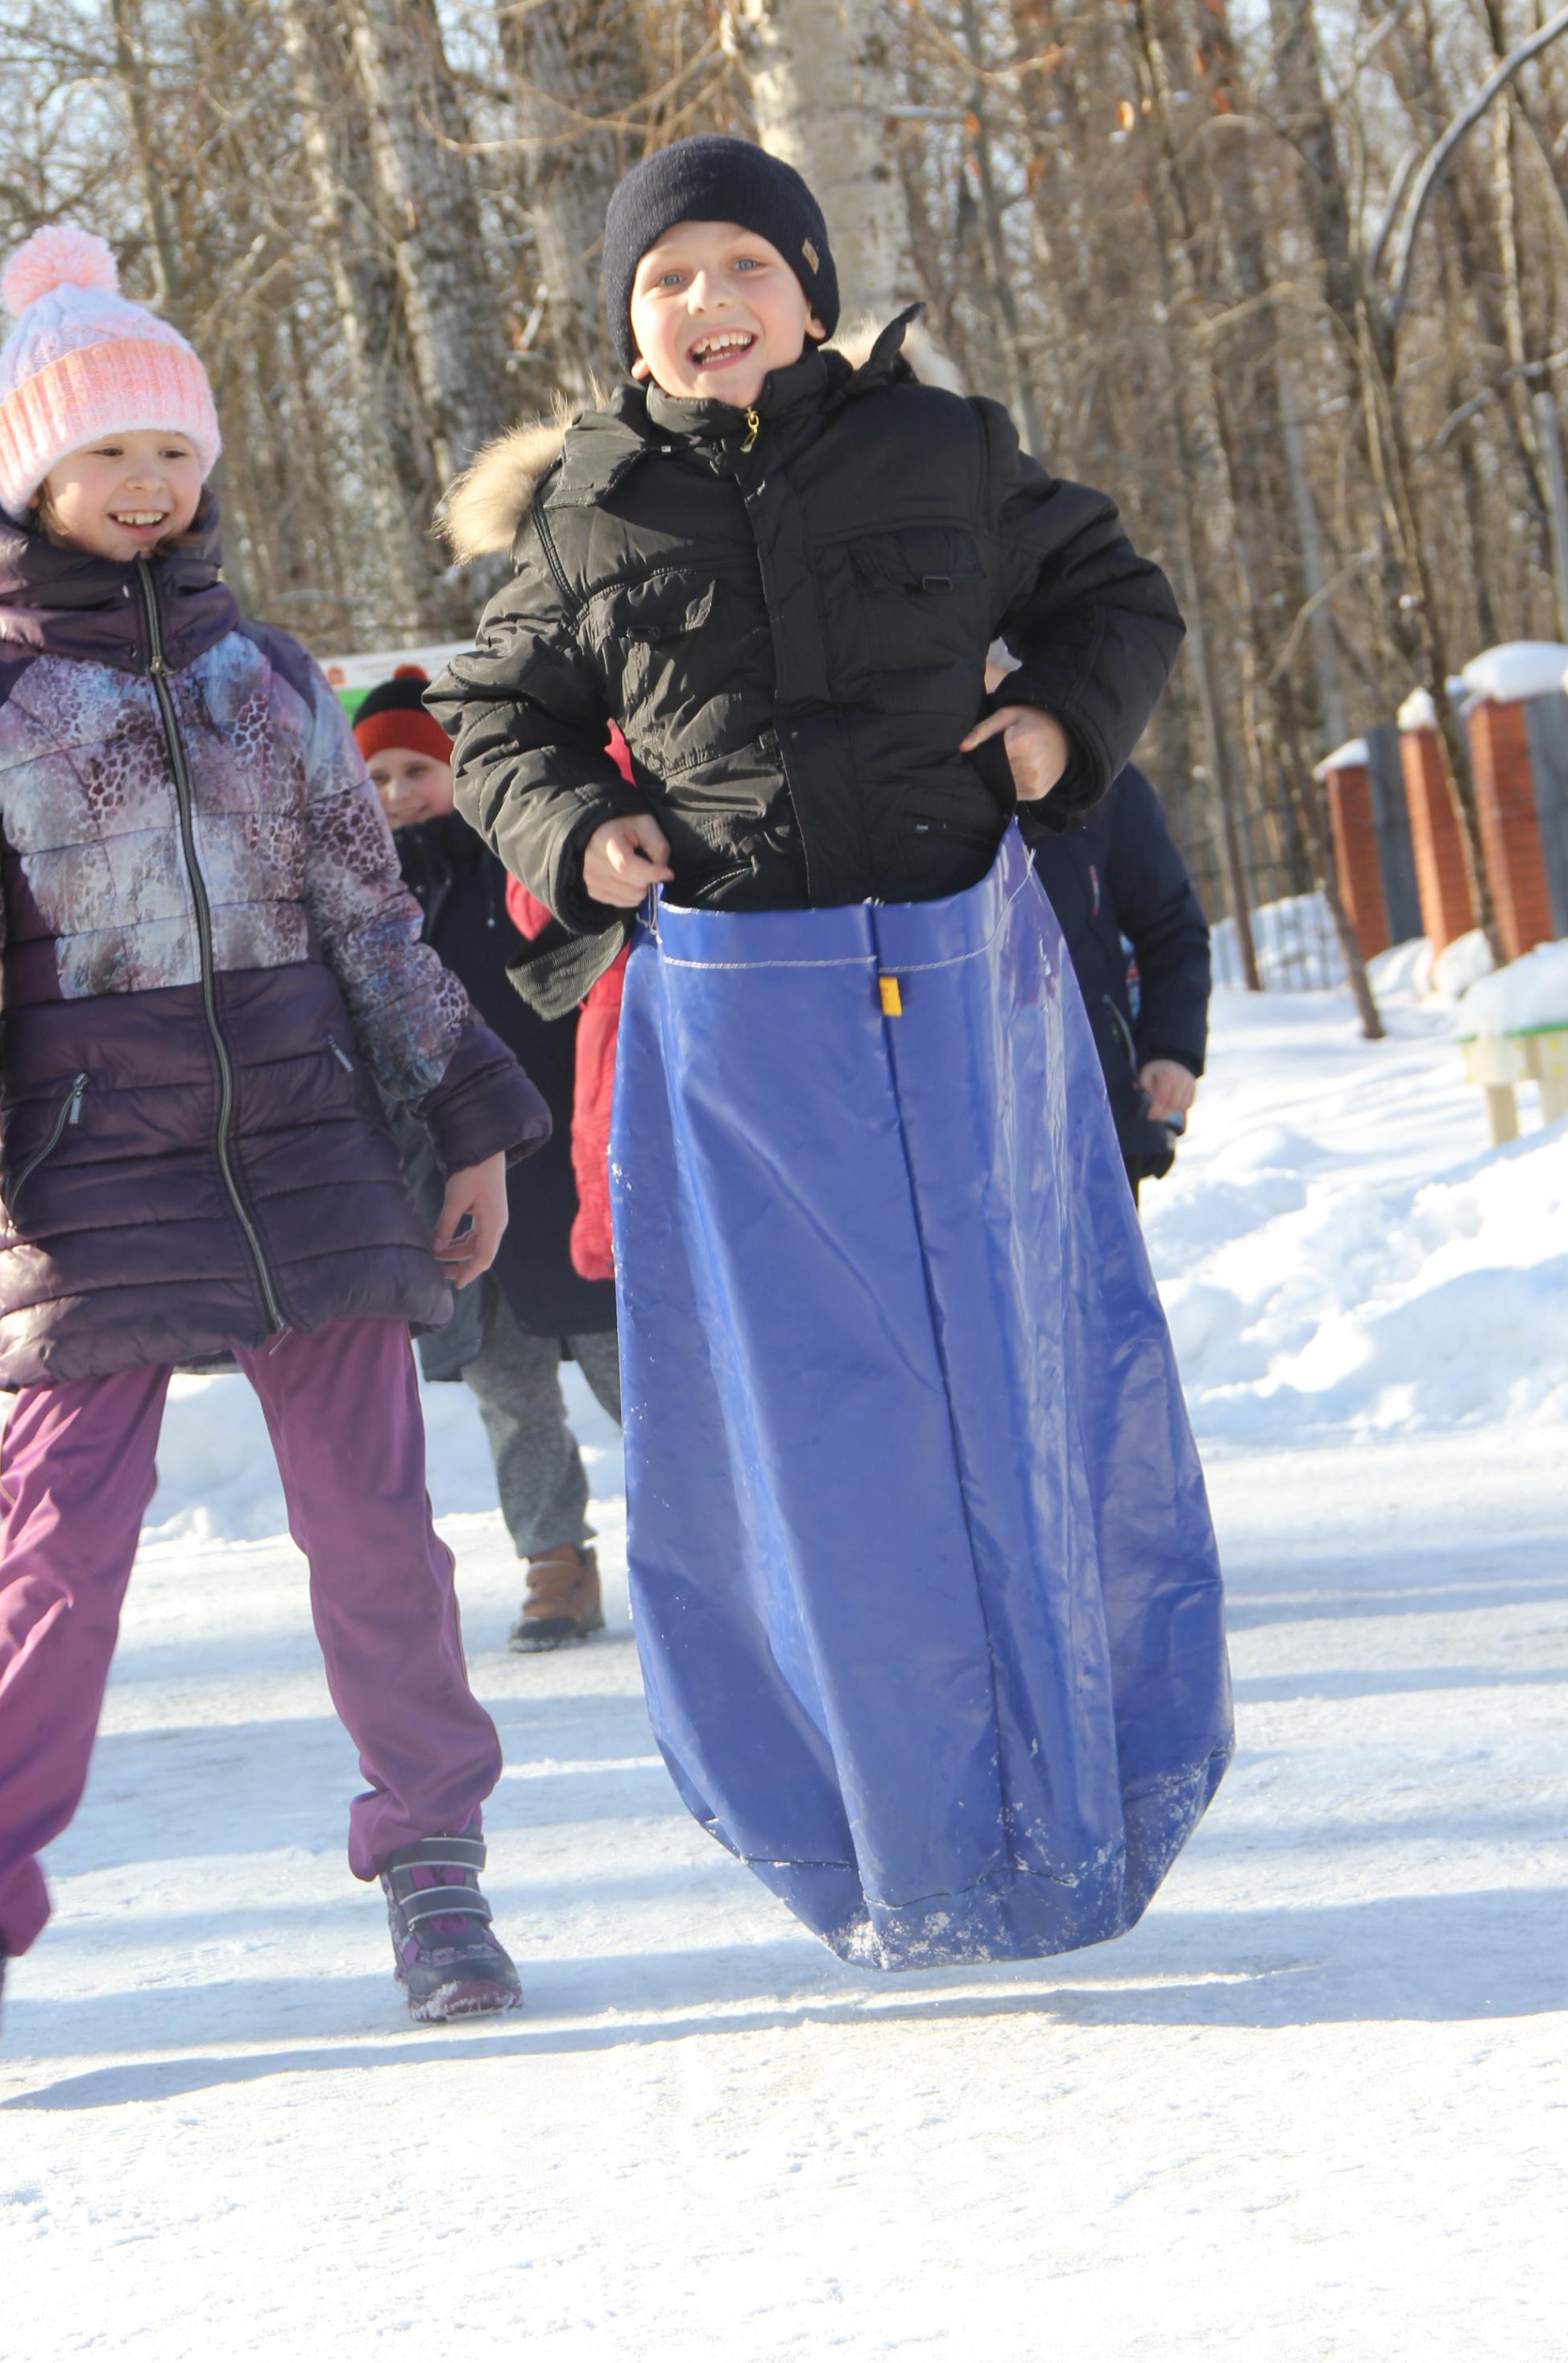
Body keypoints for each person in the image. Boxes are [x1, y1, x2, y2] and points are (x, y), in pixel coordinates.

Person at [430, 136, 1234, 1971]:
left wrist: (1053, 729)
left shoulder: (940, 447)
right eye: (664, 280)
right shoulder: (588, 510)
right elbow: (491, 719)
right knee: (817, 1435)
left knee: (1011, 1386)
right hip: (742, 1012)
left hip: (964, 988)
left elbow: (1115, 597)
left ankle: (1081, 1803)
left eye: (740, 264)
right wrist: (578, 828)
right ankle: (893, 1841)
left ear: (807, 285)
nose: (705, 304)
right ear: (625, 322)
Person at [0, 227, 549, 2084]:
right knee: (56, 1557)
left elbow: (371, 921)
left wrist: (469, 1117)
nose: (150, 483)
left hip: (314, 1150)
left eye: (174, 449)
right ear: (35, 475)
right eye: (110, 454)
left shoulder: (274, 679)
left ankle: (433, 1860)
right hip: (93, 1175)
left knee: (375, 1529)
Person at [352, 668, 622, 1649]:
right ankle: (554, 1559)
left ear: (461, 772)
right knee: (507, 1389)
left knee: (628, 1369)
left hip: (555, 1168)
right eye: (377, 777)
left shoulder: (517, 869)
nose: (398, 794)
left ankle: (716, 1536)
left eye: (417, 770)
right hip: (441, 1183)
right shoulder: (361, 898)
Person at [1026, 759, 1210, 1202]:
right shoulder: (912, 766)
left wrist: (1170, 1047)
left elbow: (1170, 926)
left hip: (1097, 1110)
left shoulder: (1098, 773)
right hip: (959, 1129)